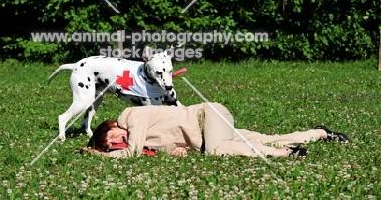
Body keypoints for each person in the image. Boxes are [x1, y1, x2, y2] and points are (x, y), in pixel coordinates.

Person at [86, 102, 349, 158]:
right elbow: (172, 142)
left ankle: (283, 153)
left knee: (217, 150)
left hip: (207, 117)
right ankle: (320, 133)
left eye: (111, 138)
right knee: (266, 137)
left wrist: (105, 156)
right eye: (112, 146)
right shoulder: (144, 140)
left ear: (111, 125)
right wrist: (176, 151)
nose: (116, 142)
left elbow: (131, 152)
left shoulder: (131, 116)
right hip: (208, 131)